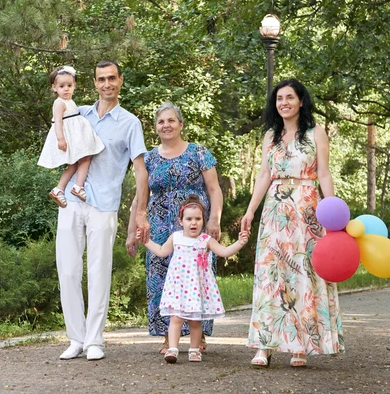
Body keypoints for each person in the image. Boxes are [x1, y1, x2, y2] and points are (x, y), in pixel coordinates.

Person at [240, 78, 343, 368]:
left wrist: (331, 212)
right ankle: (264, 344)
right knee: (271, 274)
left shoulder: (315, 133)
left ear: (300, 101)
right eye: (279, 99)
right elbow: (263, 175)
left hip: (307, 209)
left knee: (303, 274)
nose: (283, 103)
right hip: (275, 210)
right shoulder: (270, 136)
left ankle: (301, 344)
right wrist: (250, 212)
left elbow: (324, 174)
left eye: (289, 97)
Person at [56, 60, 150, 361]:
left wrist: (140, 212)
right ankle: (76, 338)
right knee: (68, 270)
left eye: (112, 78)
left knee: (98, 272)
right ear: (94, 83)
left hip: (105, 204)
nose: (106, 84)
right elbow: (58, 116)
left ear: (120, 81)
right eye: (101, 79)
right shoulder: (79, 112)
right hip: (72, 200)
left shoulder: (130, 123)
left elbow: (140, 171)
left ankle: (95, 339)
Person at [125, 102, 223, 354]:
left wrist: (214, 220)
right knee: (163, 282)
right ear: (155, 127)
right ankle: (168, 338)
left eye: (171, 120)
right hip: (158, 229)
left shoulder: (199, 153)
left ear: (181, 124)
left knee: (197, 280)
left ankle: (197, 338)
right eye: (161, 121)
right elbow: (138, 198)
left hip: (195, 227)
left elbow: (214, 189)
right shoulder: (147, 158)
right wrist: (131, 232)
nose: (166, 125)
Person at [137, 194, 249, 363]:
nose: (193, 223)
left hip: (196, 288)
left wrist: (240, 242)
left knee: (195, 321)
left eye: (198, 219)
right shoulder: (176, 237)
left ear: (203, 221)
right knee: (176, 318)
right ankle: (172, 349)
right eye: (189, 219)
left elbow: (224, 252)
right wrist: (145, 242)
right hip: (178, 286)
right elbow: (161, 251)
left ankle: (195, 349)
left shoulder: (206, 240)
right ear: (181, 221)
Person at [37, 65, 105, 206]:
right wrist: (61, 139)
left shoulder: (70, 102)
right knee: (84, 160)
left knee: (74, 165)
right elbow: (58, 122)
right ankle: (77, 187)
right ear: (54, 88)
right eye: (62, 86)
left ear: (74, 86)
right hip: (69, 139)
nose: (66, 89)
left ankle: (58, 189)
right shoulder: (59, 103)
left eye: (69, 85)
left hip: (75, 138)